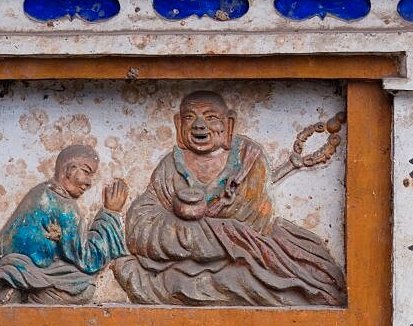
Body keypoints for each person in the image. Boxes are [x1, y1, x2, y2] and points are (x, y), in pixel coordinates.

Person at [111, 90, 346, 307]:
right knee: (150, 276)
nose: (199, 126)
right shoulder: (170, 166)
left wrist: (188, 231)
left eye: (211, 117)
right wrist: (192, 230)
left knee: (243, 279)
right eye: (190, 117)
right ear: (178, 124)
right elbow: (140, 219)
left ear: (229, 124)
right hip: (182, 261)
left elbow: (252, 228)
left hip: (242, 259)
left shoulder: (249, 159)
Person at [0, 144, 128, 304]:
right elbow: (87, 260)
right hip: (35, 266)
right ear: (69, 170)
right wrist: (110, 213)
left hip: (7, 254)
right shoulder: (66, 208)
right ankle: (25, 287)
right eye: (87, 172)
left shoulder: (40, 191)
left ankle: (7, 281)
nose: (89, 183)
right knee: (85, 286)